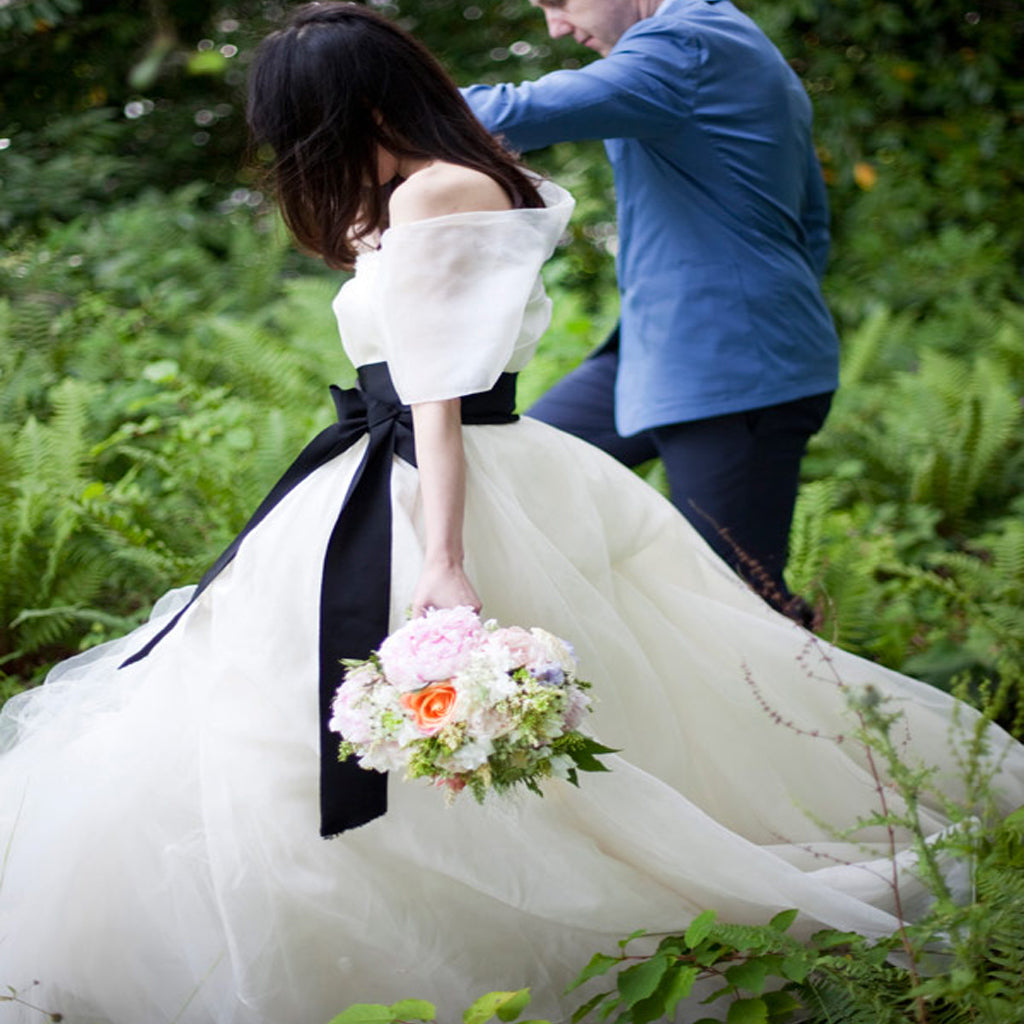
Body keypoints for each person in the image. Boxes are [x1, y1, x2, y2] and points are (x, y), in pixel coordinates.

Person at [0, 6, 1020, 1023]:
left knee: (699, 622)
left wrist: (441, 557)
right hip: (418, 451)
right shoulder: (424, 190)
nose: (554, 16)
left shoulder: (489, 160)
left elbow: (437, 390)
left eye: (302, 126)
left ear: (353, 109)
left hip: (455, 461)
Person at [462, 0, 839, 623]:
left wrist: (376, 94)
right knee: (504, 470)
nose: (555, 25)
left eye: (559, 1)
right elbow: (811, 226)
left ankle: (807, 712)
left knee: (741, 614)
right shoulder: (726, 44)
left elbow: (514, 113)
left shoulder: (686, 45)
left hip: (731, 372)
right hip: (657, 352)